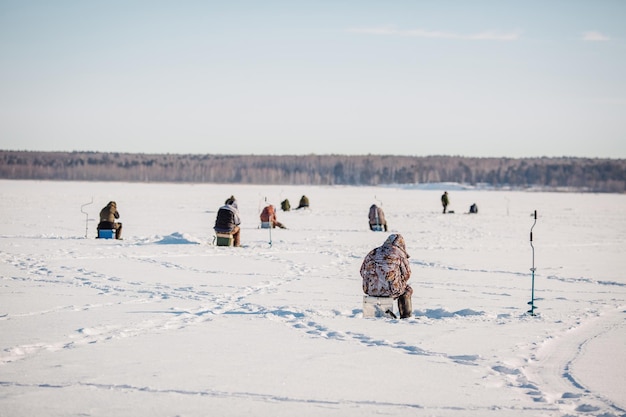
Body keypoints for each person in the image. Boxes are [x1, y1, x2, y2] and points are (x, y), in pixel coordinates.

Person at [360, 234, 413, 318]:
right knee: (407, 290)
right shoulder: (399, 253)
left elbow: (362, 271)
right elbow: (407, 273)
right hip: (390, 290)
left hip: (370, 290)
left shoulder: (374, 251)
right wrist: (397, 281)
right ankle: (406, 316)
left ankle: (375, 313)